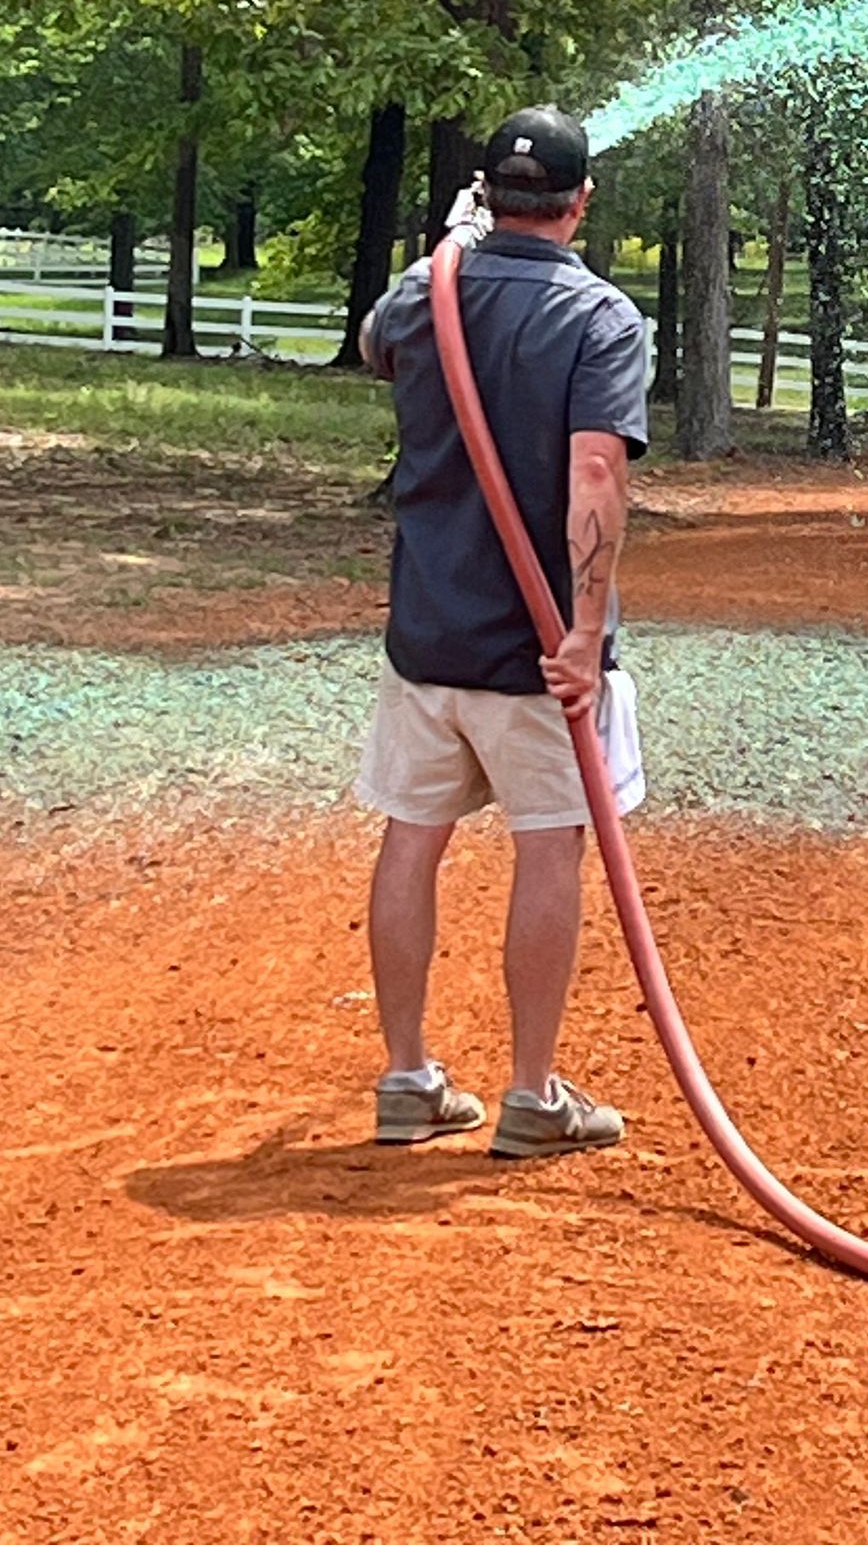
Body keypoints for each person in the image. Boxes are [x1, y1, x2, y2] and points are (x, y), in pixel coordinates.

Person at [354, 105, 649, 1159]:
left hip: (426, 634)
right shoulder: (599, 316)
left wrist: (451, 245)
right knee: (549, 851)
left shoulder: (422, 292)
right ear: (580, 202)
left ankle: (405, 1079)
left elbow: (372, 349)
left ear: (487, 194)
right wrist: (580, 630)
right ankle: (531, 1094)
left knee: (411, 839)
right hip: (534, 654)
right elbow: (598, 472)